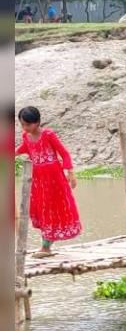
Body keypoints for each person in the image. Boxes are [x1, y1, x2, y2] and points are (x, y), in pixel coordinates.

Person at [15, 106, 82, 257]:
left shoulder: (48, 135)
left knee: (52, 210)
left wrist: (70, 173)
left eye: (28, 124)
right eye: (22, 125)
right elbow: (24, 148)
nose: (25, 128)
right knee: (42, 209)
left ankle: (46, 247)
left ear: (37, 122)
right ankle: (46, 246)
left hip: (54, 180)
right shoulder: (26, 136)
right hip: (38, 181)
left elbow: (64, 154)